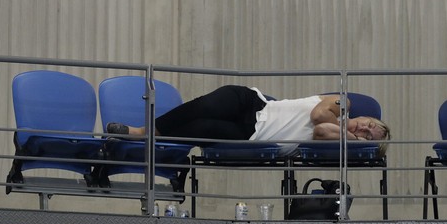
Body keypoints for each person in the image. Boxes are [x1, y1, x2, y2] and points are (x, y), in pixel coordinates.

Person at [106, 85, 390, 154]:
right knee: (206, 105)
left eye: (368, 136)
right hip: (256, 105)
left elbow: (321, 131)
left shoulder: (338, 142)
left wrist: (349, 138)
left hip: (252, 137)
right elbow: (318, 116)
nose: (365, 129)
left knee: (201, 128)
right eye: (371, 124)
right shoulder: (345, 102)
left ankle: (149, 145)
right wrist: (349, 133)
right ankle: (141, 131)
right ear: (366, 116)